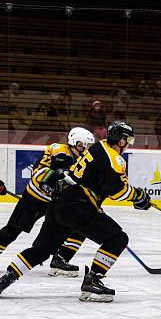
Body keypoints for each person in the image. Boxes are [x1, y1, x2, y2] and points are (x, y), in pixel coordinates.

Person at [0, 121, 152, 302]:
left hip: (58, 203)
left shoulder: (98, 147)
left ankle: (5, 279)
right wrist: (139, 196)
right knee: (118, 239)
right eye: (128, 140)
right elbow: (117, 192)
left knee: (40, 250)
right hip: (77, 206)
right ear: (121, 141)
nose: (128, 144)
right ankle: (93, 281)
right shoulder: (114, 159)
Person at [0, 127, 95, 277]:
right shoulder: (58, 149)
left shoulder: (82, 161)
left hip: (55, 202)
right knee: (13, 230)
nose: (88, 149)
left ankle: (60, 259)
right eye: (86, 145)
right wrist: (59, 173)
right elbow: (48, 169)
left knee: (79, 227)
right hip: (35, 198)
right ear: (77, 143)